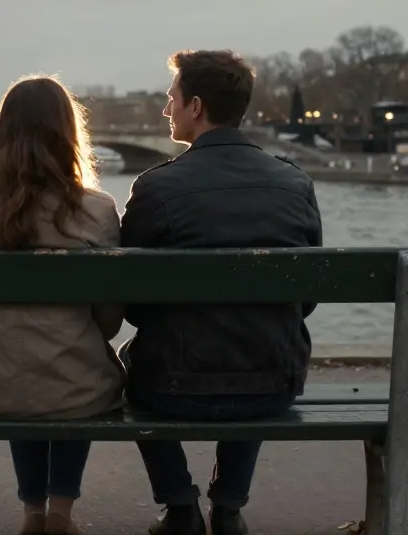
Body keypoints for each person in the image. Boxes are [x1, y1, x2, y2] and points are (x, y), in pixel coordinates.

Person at [119, 50, 324, 535]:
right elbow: (307, 297)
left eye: (170, 99)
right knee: (259, 334)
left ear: (194, 106)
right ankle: (229, 506)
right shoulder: (296, 184)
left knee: (129, 362)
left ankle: (178, 504)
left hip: (172, 386)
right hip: (275, 383)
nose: (165, 110)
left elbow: (131, 302)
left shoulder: (155, 188)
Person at [0, 75, 125, 535]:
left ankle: (32, 513)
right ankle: (60, 513)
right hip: (75, 388)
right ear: (69, 134)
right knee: (70, 369)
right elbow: (109, 319)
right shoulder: (98, 210)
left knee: (10, 357)